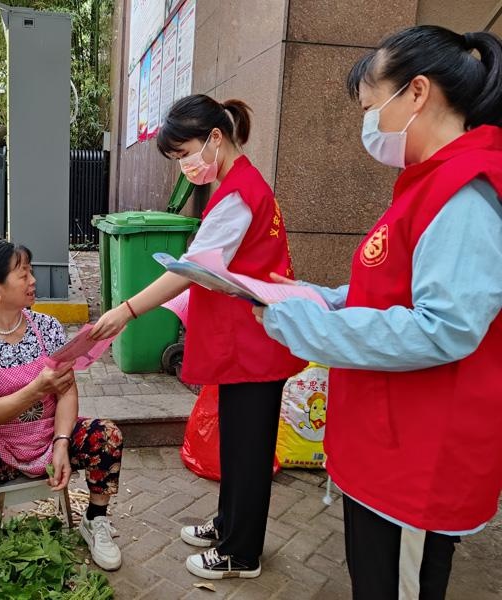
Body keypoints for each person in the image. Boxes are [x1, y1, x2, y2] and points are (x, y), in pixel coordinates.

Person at [252, 25, 502, 600]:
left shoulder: (463, 193)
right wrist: (319, 297)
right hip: (387, 444)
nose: (369, 125)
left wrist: (313, 327)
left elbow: (446, 326)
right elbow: (393, 288)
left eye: (371, 107)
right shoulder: (425, 185)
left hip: (418, 457)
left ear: (417, 93)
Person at [90, 94, 306, 580]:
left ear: (215, 138)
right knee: (237, 444)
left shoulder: (237, 195)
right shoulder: (238, 183)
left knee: (248, 452)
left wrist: (126, 310)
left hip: (255, 345)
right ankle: (229, 525)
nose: (184, 166)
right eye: (176, 159)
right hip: (249, 341)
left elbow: (192, 270)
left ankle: (240, 553)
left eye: (184, 153)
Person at [0, 240, 124, 600]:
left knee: (107, 435)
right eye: (24, 274)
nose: (33, 281)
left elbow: (67, 391)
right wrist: (37, 389)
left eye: (31, 272)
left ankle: (95, 518)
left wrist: (62, 443)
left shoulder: (48, 328)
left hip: (49, 440)